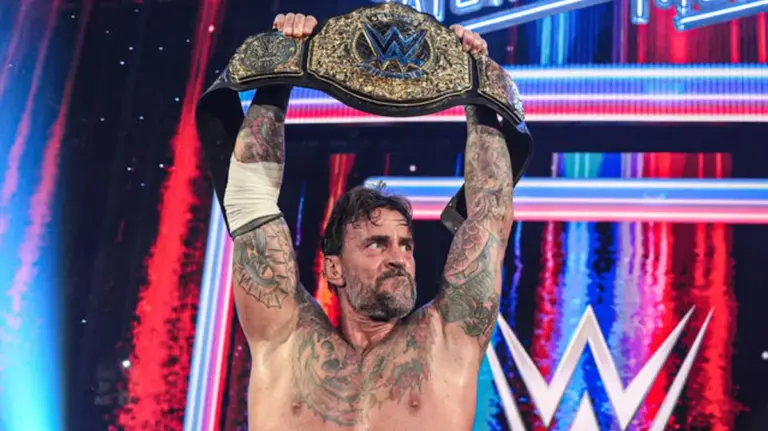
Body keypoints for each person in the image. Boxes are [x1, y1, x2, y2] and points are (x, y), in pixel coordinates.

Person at [225, 12, 512, 431]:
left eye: (405, 244)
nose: (399, 257)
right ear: (334, 268)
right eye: (377, 243)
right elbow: (250, 201)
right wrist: (280, 66)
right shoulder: (286, 340)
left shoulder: (447, 342)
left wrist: (477, 88)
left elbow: (489, 217)